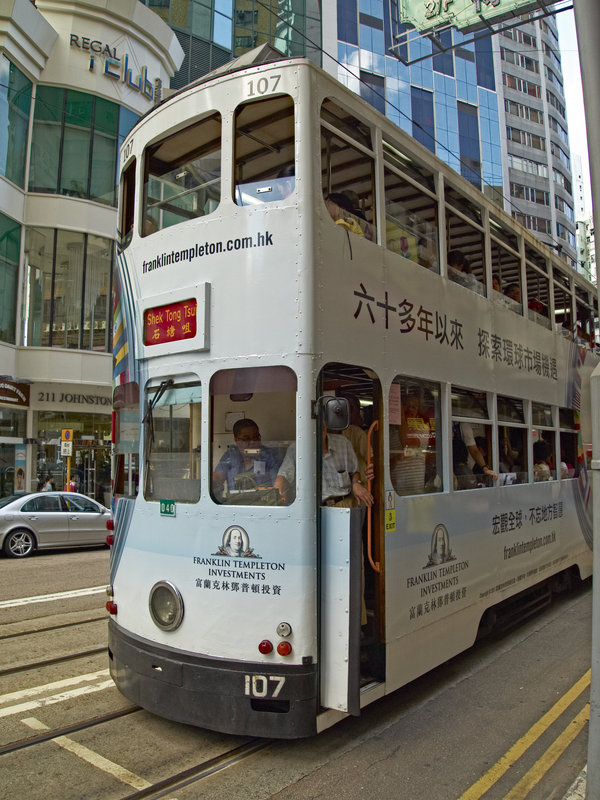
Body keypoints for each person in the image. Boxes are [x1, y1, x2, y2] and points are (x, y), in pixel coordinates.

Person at [274, 421, 374, 508]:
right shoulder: (295, 449)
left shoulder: (343, 443)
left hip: (343, 504)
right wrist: (275, 497)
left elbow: (354, 471)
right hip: (313, 509)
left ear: (324, 429)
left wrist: (356, 483)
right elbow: (283, 476)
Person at [212, 418, 280, 494]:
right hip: (235, 500)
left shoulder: (269, 455)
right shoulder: (231, 455)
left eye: (256, 437)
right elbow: (218, 477)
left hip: (263, 500)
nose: (252, 442)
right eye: (246, 439)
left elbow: (278, 485)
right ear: (236, 440)